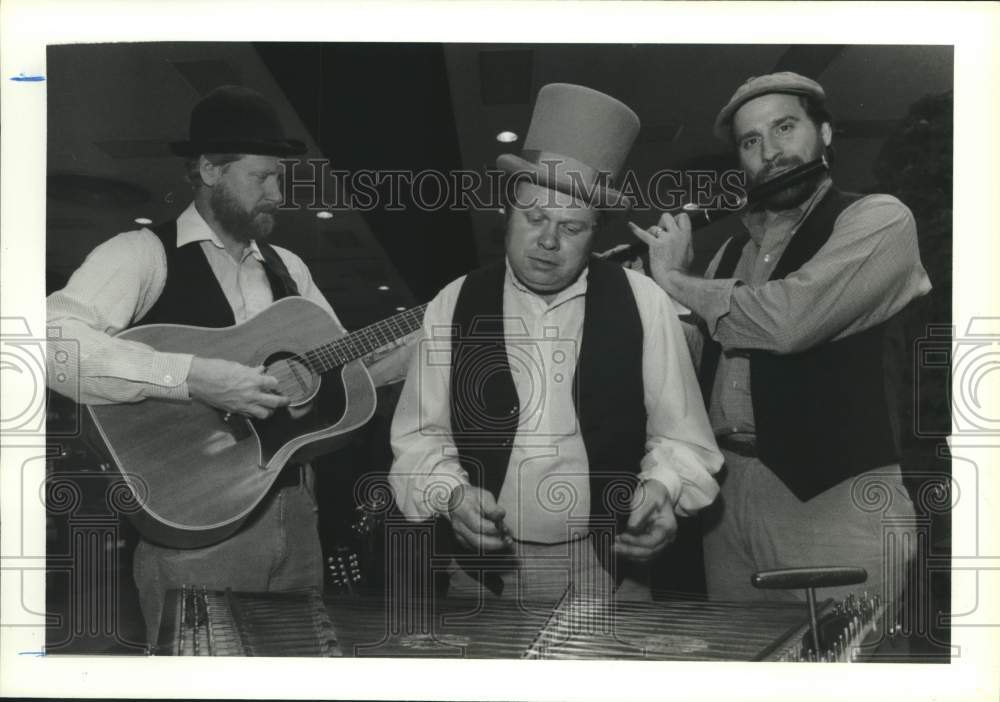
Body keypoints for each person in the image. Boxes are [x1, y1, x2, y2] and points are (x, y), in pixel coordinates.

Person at [46, 85, 409, 643]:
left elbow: (349, 372)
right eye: (261, 178)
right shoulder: (142, 253)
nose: (278, 194)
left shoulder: (289, 269)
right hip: (196, 526)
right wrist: (191, 377)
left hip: (298, 515)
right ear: (211, 170)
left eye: (280, 179)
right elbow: (50, 341)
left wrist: (423, 339)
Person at [389, 83, 723, 601]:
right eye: (535, 218)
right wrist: (450, 496)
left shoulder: (643, 301)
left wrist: (662, 490)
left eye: (571, 226)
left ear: (596, 233)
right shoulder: (452, 303)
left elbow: (683, 439)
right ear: (507, 215)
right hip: (480, 572)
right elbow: (419, 438)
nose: (548, 240)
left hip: (609, 566)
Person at [630, 72, 932, 603]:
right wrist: (649, 296)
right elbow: (688, 366)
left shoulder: (877, 219)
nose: (770, 152)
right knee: (745, 670)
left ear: (826, 134)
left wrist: (677, 279)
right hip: (729, 499)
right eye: (751, 142)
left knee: (839, 670)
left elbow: (789, 321)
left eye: (785, 128)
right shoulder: (726, 256)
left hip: (837, 497)